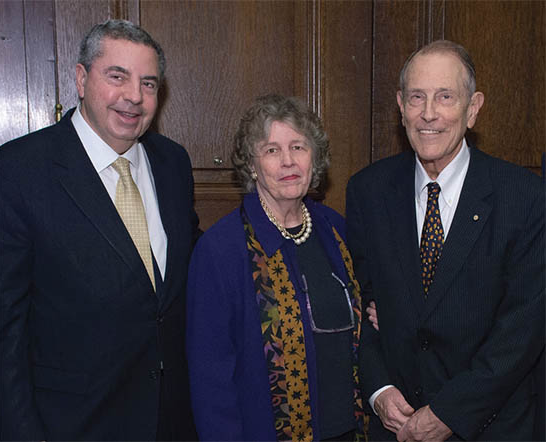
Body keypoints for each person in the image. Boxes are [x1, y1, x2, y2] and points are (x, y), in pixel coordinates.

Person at [0, 19, 199, 441]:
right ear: (81, 78)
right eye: (117, 77)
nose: (134, 97)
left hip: (172, 422)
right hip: (72, 425)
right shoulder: (17, 172)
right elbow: (4, 335)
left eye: (148, 83)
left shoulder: (173, 163)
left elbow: (193, 278)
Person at [346, 40, 544, 441]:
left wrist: (449, 412)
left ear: (472, 109)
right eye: (417, 97)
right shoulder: (368, 190)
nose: (429, 113)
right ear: (401, 105)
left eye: (445, 97)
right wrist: (379, 390)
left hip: (492, 427)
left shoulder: (525, 197)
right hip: (396, 427)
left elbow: (522, 331)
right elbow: (361, 304)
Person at [187, 94, 366, 441]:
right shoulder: (221, 250)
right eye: (271, 150)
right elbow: (210, 381)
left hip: (350, 430)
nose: (288, 161)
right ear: (252, 165)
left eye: (298, 147)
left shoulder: (336, 230)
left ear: (315, 159)